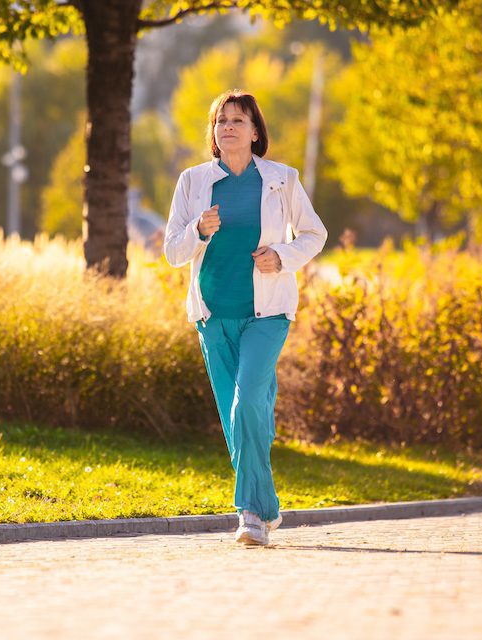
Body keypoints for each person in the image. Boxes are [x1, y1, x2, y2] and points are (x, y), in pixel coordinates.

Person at [163, 89, 328, 546]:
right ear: (214, 134)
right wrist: (198, 229)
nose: (229, 127)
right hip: (213, 316)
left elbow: (315, 233)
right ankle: (268, 506)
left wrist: (282, 255)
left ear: (256, 131)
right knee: (241, 414)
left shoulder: (282, 179)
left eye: (239, 119)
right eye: (222, 121)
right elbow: (172, 251)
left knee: (247, 401)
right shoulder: (193, 182)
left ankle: (250, 515)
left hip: (267, 313)